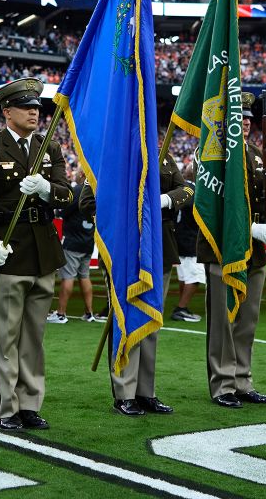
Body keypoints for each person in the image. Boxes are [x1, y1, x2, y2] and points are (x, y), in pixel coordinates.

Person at [0, 77, 72, 432]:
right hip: (9, 249)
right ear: (7, 112)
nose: (35, 113)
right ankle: (7, 408)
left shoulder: (48, 147)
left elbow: (67, 194)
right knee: (6, 337)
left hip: (44, 251)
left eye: (38, 108)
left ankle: (30, 404)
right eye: (27, 107)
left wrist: (48, 189)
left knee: (33, 336)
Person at [83, 148, 193, 416]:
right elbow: (87, 202)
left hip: (158, 247)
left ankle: (146, 392)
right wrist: (125, 212)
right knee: (124, 320)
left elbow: (188, 190)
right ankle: (124, 392)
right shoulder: (109, 150)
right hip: (122, 249)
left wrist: (164, 200)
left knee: (151, 321)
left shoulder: (163, 154)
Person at [200, 91, 266, 409]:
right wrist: (247, 229)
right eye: (239, 118)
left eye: (249, 119)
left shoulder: (256, 154)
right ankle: (222, 384)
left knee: (247, 319)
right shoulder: (212, 154)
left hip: (255, 250)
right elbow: (210, 207)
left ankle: (242, 379)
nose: (245, 124)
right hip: (224, 248)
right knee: (223, 320)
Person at [52, 169, 96, 324]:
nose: (75, 174)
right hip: (88, 240)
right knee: (84, 276)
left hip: (73, 240)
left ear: (83, 174)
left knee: (67, 276)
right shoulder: (96, 189)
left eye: (78, 171)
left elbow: (63, 211)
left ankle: (61, 314)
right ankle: (89, 312)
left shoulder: (78, 189)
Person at [172, 170, 206, 322]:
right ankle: (181, 308)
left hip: (179, 238)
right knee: (196, 276)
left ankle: (182, 306)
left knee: (184, 275)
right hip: (190, 240)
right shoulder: (193, 191)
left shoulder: (181, 189)